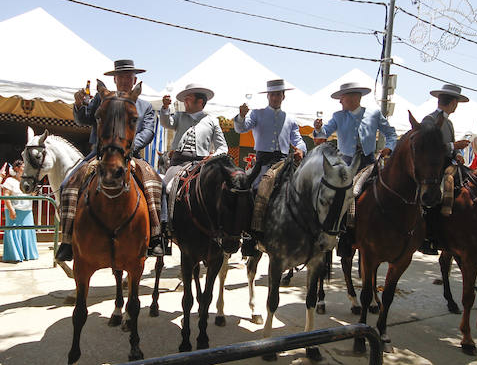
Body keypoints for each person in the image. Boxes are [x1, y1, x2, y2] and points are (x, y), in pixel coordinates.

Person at [56, 59, 162, 262]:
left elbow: (148, 131)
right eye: (120, 76)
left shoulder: (145, 106)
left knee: (157, 185)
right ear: (114, 79)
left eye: (128, 77)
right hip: (99, 154)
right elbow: (84, 119)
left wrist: (127, 148)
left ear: (135, 80)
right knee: (67, 185)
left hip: (131, 154)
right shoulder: (100, 98)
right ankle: (67, 240)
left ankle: (156, 237)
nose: (124, 80)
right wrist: (79, 105)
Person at [234, 78, 307, 248]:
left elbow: (298, 140)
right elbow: (241, 128)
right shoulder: (257, 113)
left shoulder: (290, 119)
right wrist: (241, 116)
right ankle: (249, 235)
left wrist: (301, 149)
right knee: (248, 190)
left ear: (283, 97)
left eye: (278, 95)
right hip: (262, 163)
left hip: (283, 162)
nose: (275, 98)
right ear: (268, 96)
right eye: (272, 95)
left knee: (302, 191)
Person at [158, 82, 228, 235]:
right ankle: (163, 227)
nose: (185, 102)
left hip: (201, 164)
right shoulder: (179, 116)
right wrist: (164, 108)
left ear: (200, 102)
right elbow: (165, 122)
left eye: (188, 99)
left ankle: (224, 229)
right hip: (178, 162)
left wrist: (211, 157)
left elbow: (223, 148)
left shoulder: (212, 121)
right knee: (164, 187)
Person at [419, 83, 470, 253]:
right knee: (439, 190)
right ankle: (429, 235)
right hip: (434, 166)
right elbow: (428, 146)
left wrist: (456, 153)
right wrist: (453, 146)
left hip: (448, 162)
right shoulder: (430, 119)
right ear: (454, 103)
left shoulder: (448, 122)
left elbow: (450, 147)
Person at [312, 81, 398, 168]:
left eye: (342, 98)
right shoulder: (338, 116)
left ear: (355, 98)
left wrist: (389, 148)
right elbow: (324, 133)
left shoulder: (374, 114)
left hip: (369, 162)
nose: (340, 102)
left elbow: (391, 133)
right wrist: (318, 129)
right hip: (344, 163)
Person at [1, 159, 39, 263]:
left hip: (27, 210)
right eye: (23, 166)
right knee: (14, 232)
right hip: (15, 210)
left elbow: (30, 194)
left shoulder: (26, 181)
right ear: (17, 168)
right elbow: (6, 196)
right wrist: (11, 210)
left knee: (27, 231)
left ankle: (28, 254)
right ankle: (14, 255)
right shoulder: (9, 181)